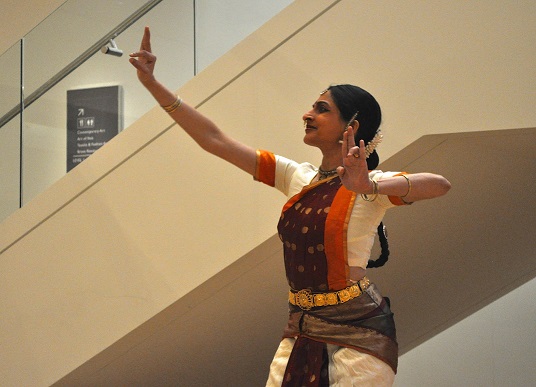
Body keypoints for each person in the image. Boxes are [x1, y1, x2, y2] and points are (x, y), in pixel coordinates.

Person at [129, 26, 451, 387]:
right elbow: (213, 139)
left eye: (321, 109)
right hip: (301, 325)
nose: (307, 114)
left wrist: (367, 183)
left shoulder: (371, 187)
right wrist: (151, 84)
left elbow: (439, 184)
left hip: (361, 332)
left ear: (352, 125)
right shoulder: (296, 175)